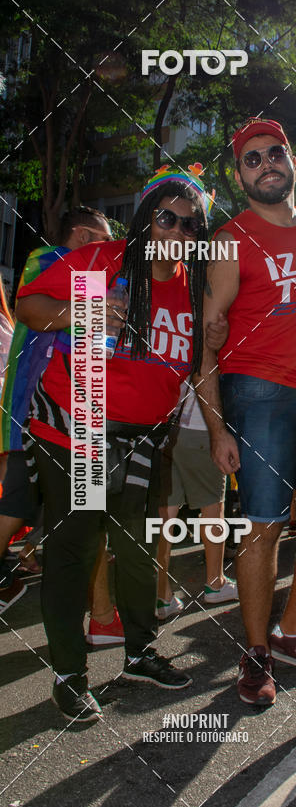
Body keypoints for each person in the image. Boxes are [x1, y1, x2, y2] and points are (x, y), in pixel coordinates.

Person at [15, 166, 212, 721]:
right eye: (166, 218)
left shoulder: (193, 287)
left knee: (136, 548)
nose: (177, 231)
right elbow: (29, 307)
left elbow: (200, 366)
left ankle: (140, 653)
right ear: (146, 218)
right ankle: (70, 675)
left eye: (190, 224)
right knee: (76, 550)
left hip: (144, 438)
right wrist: (82, 311)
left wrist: (219, 432)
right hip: (80, 428)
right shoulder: (105, 262)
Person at [198, 118, 296, 707]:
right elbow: (205, 342)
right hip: (258, 391)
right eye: (253, 159)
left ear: (292, 162)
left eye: (275, 153)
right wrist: (216, 428)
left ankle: (293, 631)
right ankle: (256, 650)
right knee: (264, 523)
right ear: (240, 176)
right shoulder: (230, 239)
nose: (266, 165)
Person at [0, 207, 112, 614]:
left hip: (71, 410)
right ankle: (98, 614)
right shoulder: (54, 262)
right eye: (104, 240)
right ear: (81, 236)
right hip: (41, 409)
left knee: (70, 508)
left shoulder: (68, 269)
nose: (110, 249)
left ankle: (99, 613)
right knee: (20, 501)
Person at [156, 388, 237, 618]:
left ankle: (162, 596)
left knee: (164, 515)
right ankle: (215, 583)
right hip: (201, 428)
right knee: (213, 508)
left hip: (165, 426)